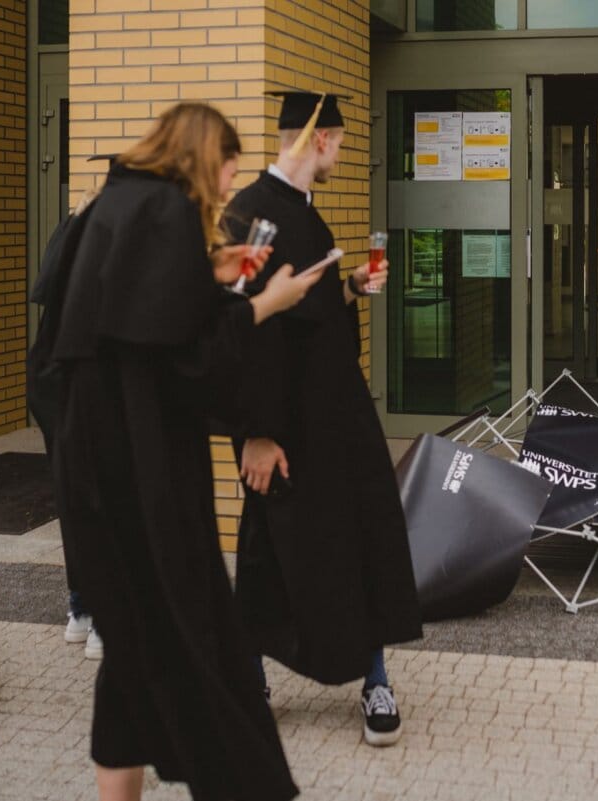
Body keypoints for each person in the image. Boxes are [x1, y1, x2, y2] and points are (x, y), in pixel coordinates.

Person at [50, 102, 322, 801]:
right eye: (229, 166)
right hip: (144, 475)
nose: (231, 185)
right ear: (204, 155)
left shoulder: (113, 206)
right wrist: (267, 301)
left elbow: (137, 330)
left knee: (134, 650)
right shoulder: (166, 212)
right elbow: (188, 363)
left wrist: (213, 271)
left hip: (94, 468)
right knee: (190, 642)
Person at [222, 90, 422, 747]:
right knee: (268, 552)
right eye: (342, 143)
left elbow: (303, 312)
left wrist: (348, 289)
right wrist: (254, 430)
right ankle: (250, 685)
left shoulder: (312, 216)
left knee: (363, 537)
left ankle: (375, 680)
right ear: (323, 141)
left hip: (339, 416)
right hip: (280, 427)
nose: (344, 155)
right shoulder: (251, 216)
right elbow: (238, 325)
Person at [30, 154, 114, 662]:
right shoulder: (103, 244)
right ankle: (101, 615)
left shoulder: (69, 231)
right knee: (103, 502)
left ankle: (82, 609)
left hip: (52, 387)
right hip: (82, 390)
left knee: (76, 503)